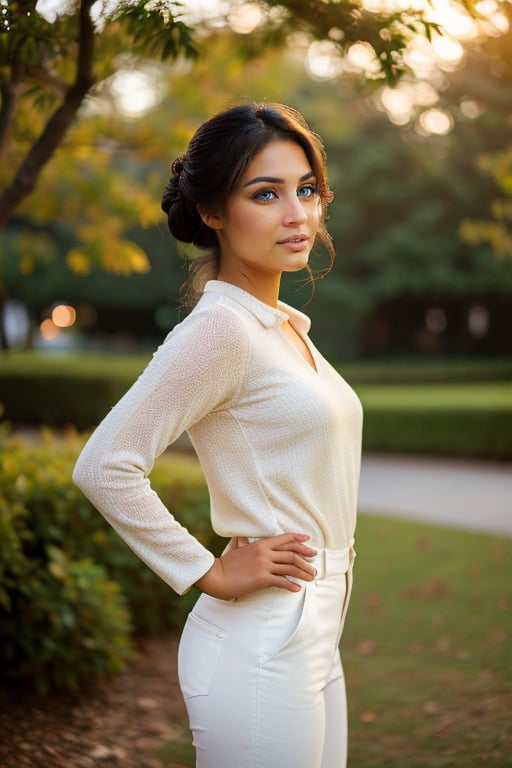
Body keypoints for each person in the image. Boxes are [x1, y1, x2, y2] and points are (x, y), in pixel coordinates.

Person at [73, 101, 363, 768]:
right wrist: (207, 570)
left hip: (315, 626)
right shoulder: (220, 330)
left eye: (307, 189)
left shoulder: (282, 327)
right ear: (213, 213)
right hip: (260, 639)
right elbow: (104, 465)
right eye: (266, 194)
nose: (297, 214)